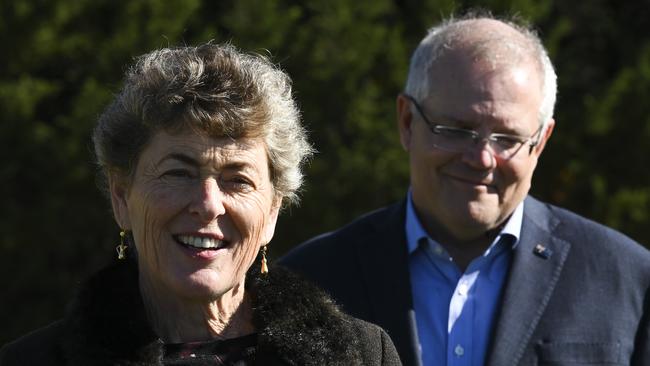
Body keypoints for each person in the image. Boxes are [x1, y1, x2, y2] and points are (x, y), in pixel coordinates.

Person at [279, 14, 650, 366]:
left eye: (508, 138)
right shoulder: (312, 281)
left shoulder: (628, 280)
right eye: (457, 130)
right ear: (407, 122)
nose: (482, 158)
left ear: (541, 142)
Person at [0, 43, 401, 366]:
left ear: (273, 211)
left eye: (238, 180)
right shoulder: (31, 360)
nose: (209, 204)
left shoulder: (362, 355)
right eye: (178, 173)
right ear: (122, 196)